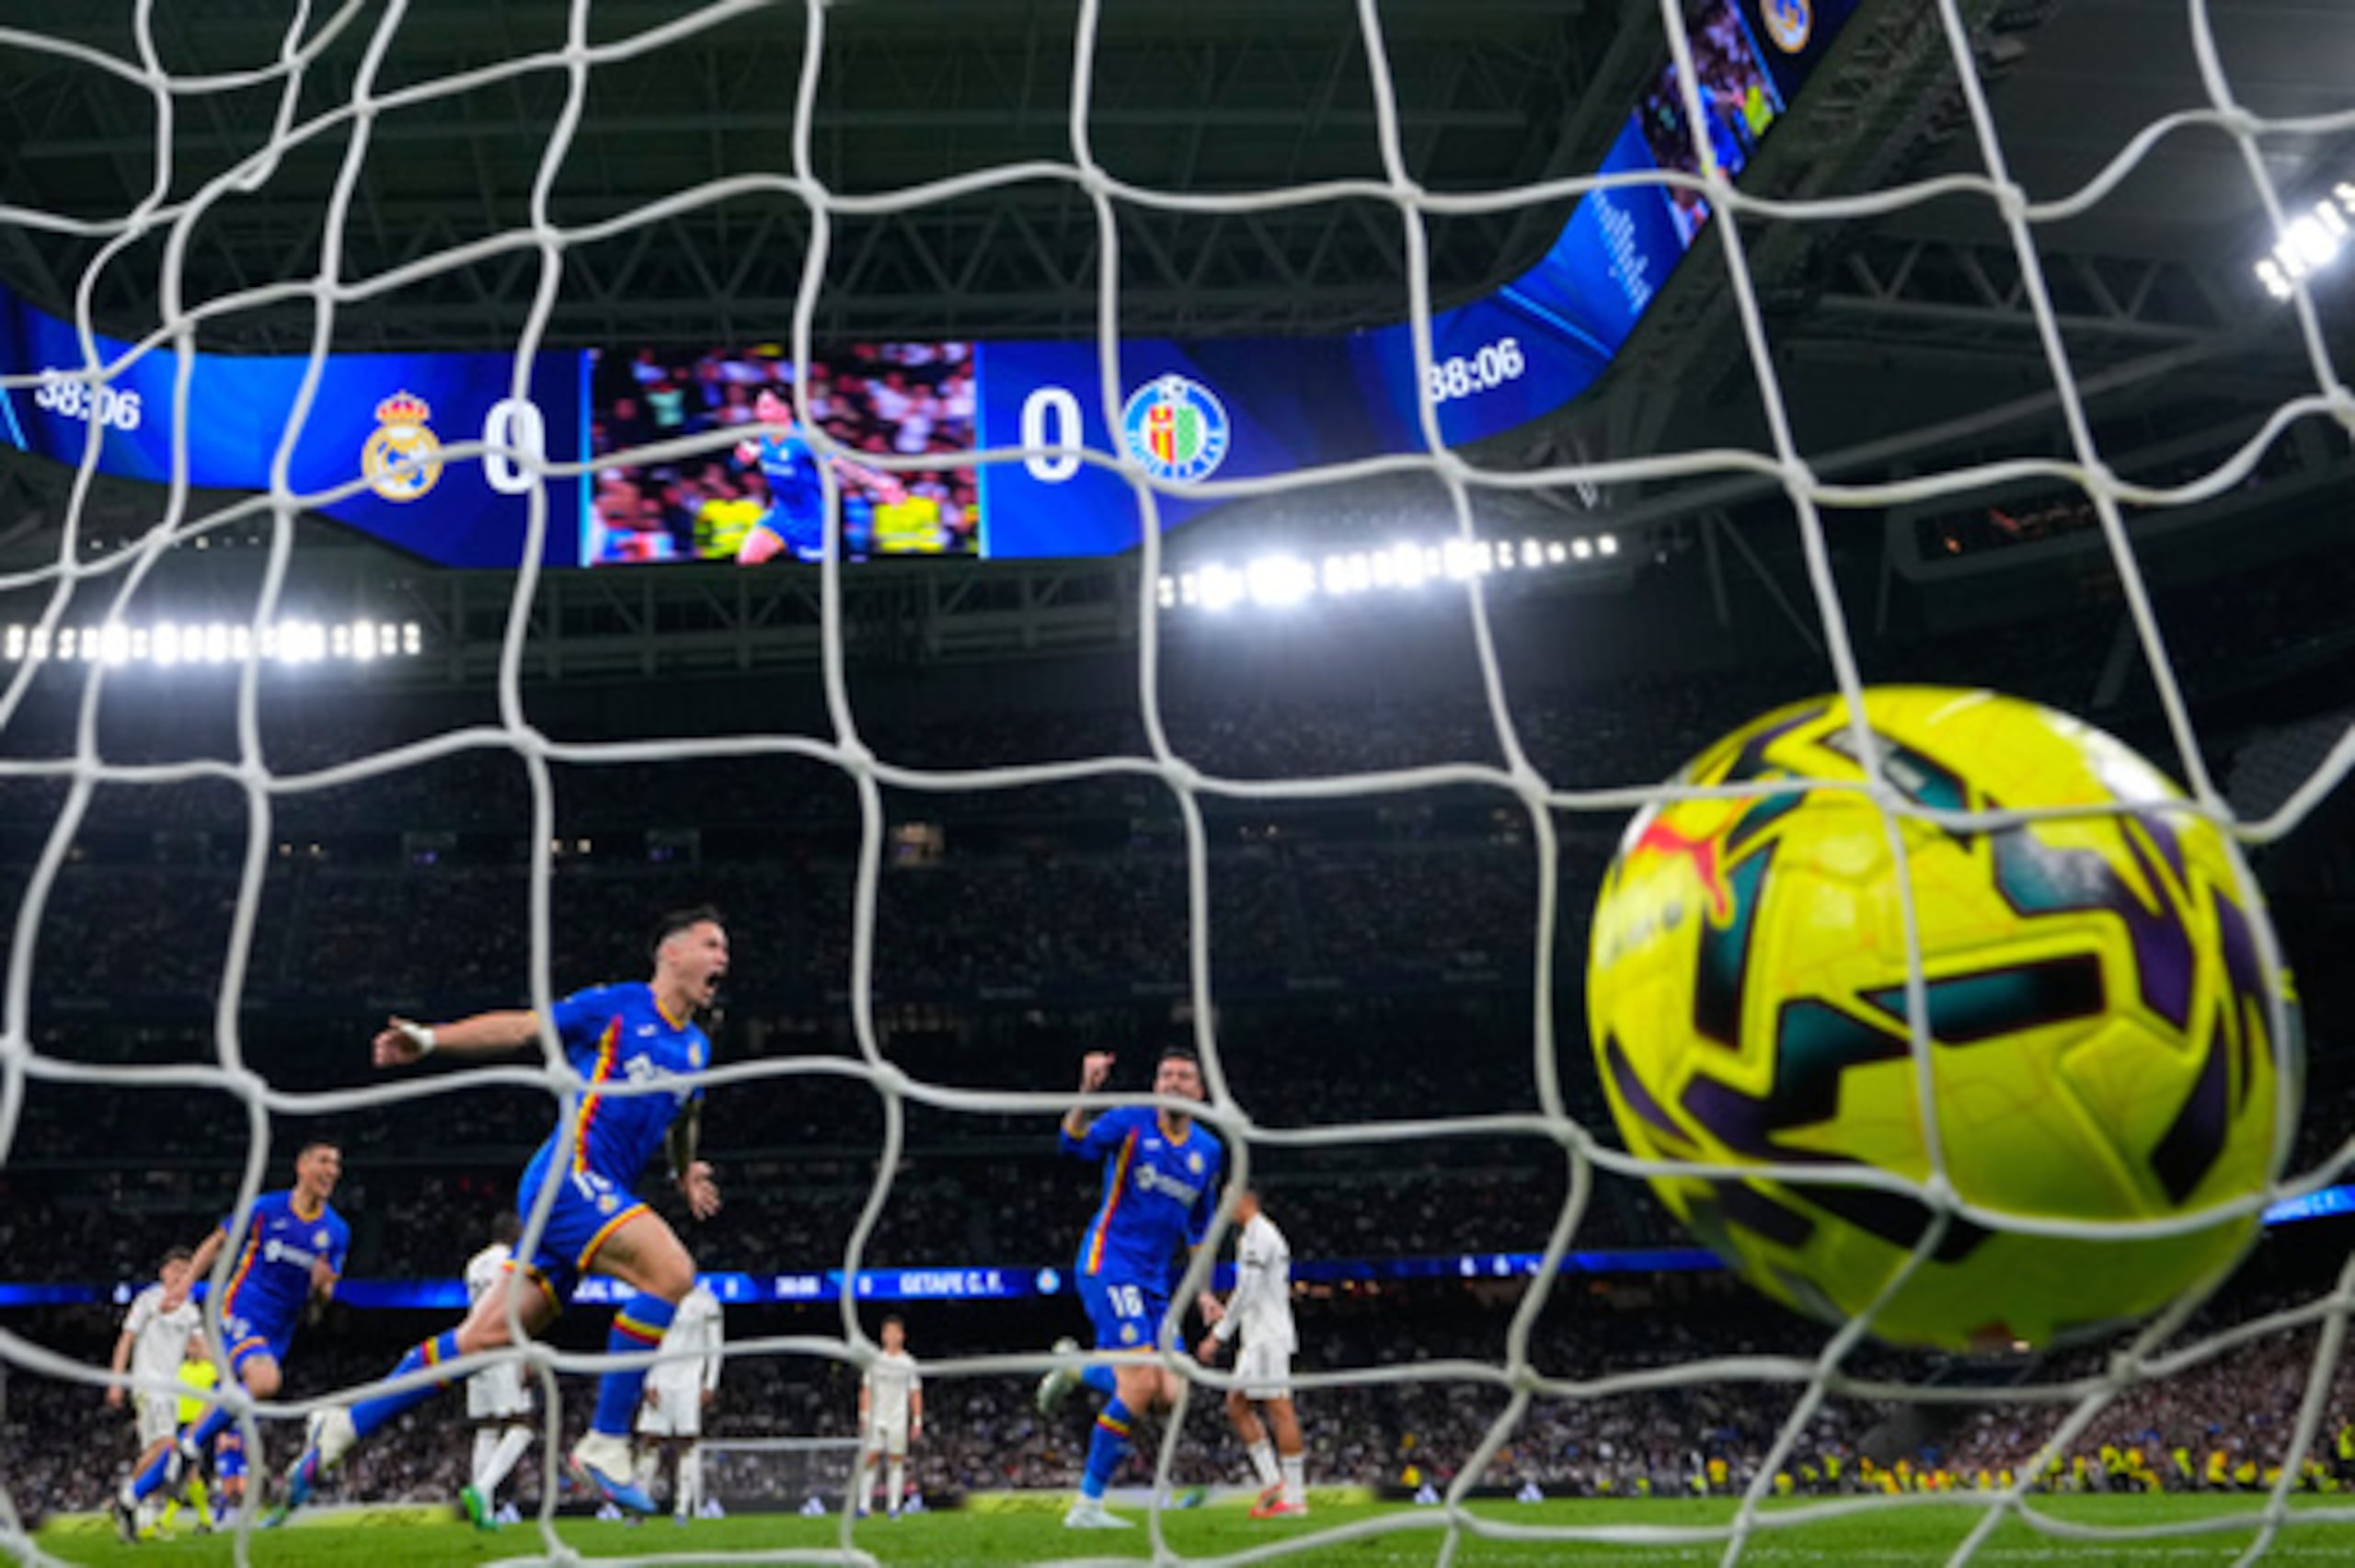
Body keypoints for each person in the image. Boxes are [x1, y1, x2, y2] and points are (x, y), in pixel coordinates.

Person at [275, 906, 729, 1520]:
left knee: (483, 1338)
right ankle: (604, 1441)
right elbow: (520, 1028)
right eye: (711, 944)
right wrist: (431, 1040)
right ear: (670, 953)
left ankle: (342, 1427)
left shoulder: (697, 1045)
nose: (723, 957)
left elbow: (685, 1115)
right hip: (568, 1177)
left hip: (587, 1200)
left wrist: (685, 1169)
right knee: (672, 1273)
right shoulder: (618, 1006)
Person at [110, 1141, 349, 1544]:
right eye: (324, 1161)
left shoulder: (337, 1231)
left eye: (337, 1164)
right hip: (240, 1310)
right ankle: (189, 1447)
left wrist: (323, 1289)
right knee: (265, 1381)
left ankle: (130, 1499)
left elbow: (323, 1301)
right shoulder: (267, 1209)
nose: (332, 1170)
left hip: (278, 1332)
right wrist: (186, 1284)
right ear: (302, 1166)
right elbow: (217, 1241)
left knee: (216, 1418)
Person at [1035, 1046, 1224, 1529]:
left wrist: (1204, 1292)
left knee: (1171, 1394)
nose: (1173, 1083)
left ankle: (1079, 1368)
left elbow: (1200, 1231)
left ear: (1200, 1091)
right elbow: (1071, 1143)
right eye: (1166, 1075)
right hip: (1110, 1264)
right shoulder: (1131, 1122)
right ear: (1156, 1085)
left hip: (1156, 1285)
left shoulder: (1208, 1151)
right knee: (1139, 1383)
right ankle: (1087, 1506)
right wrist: (1086, 1091)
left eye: (1184, 1076)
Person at [1196, 1188, 1307, 1518]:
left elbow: (1249, 1291)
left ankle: (1295, 1498)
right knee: (1236, 1404)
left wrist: (1217, 1336)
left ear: (1246, 1200)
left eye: (1229, 1200)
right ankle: (1273, 1482)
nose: (1224, 1207)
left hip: (1268, 1338)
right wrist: (1230, 1314)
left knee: (1280, 1408)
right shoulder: (1251, 1236)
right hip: (1255, 1336)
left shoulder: (1260, 1236)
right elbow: (1249, 1294)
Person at [733, 387, 902, 564]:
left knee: (816, 577)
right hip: (781, 514)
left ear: (784, 409)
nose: (759, 411)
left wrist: (878, 484)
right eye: (758, 406)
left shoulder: (804, 439)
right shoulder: (762, 437)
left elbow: (841, 464)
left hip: (813, 521)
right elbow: (766, 454)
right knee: (747, 560)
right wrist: (753, 455)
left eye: (766, 406)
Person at [108, 1247, 200, 1534]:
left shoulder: (189, 1309)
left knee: (153, 1451)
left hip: (170, 1390)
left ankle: (130, 1504)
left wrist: (230, 1367)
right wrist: (116, 1381)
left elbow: (201, 1349)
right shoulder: (148, 1300)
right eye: (175, 1269)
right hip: (149, 1383)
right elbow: (126, 1339)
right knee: (167, 1444)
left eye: (185, 1270)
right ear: (163, 1273)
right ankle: (132, 1500)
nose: (179, 1275)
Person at [458, 1212, 534, 1530]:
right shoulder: (513, 1263)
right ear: (513, 1233)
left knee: (487, 1428)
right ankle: (482, 1488)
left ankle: (485, 1514)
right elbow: (516, 1310)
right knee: (523, 1425)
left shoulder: (474, 1265)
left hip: (474, 1348)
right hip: (502, 1347)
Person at [634, 1272, 724, 1525]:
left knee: (687, 1442)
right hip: (660, 1378)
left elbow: (715, 1345)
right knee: (650, 1441)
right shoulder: (657, 1298)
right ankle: (639, 1507)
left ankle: (682, 1509)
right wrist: (648, 1380)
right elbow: (647, 1342)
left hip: (689, 1382)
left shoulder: (707, 1302)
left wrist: (710, 1383)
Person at [853, 1316, 923, 1519]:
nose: (891, 1336)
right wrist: (864, 1415)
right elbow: (866, 1389)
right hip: (876, 1418)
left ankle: (893, 1508)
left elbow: (915, 1392)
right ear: (883, 1336)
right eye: (887, 1332)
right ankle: (863, 1507)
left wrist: (917, 1420)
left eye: (895, 1332)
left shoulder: (908, 1363)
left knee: (896, 1461)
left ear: (902, 1336)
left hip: (898, 1418)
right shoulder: (875, 1361)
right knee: (870, 1459)